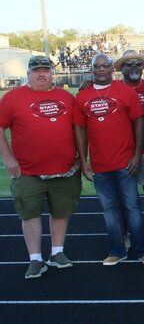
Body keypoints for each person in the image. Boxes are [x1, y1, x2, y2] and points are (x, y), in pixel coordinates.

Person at [0, 56, 81, 279]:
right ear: (28, 73)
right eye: (37, 71)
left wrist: (81, 158)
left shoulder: (66, 97)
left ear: (52, 74)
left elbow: (78, 129)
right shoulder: (12, 98)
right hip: (27, 170)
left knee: (61, 211)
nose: (42, 74)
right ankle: (35, 258)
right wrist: (8, 158)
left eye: (46, 70)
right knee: (30, 214)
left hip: (64, 169)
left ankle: (57, 253)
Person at [74, 54, 144, 266]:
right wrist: (83, 161)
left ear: (112, 69)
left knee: (132, 206)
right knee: (109, 209)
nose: (101, 69)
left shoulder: (126, 92)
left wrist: (137, 155)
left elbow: (139, 122)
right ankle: (117, 250)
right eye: (97, 66)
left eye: (105, 66)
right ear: (92, 69)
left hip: (125, 161)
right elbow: (80, 130)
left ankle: (142, 249)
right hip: (100, 164)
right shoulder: (83, 96)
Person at [114, 50, 144, 249]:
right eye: (129, 64)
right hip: (123, 151)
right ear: (122, 68)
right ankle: (126, 234)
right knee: (126, 197)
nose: (134, 67)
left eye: (137, 64)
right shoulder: (115, 88)